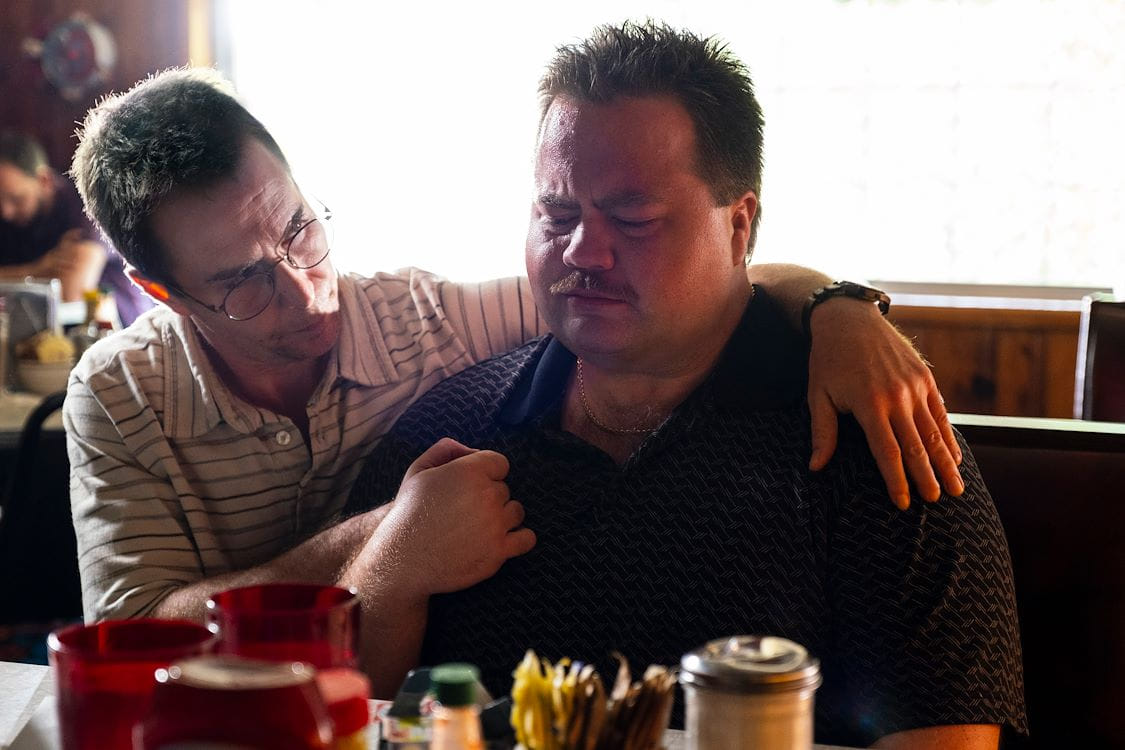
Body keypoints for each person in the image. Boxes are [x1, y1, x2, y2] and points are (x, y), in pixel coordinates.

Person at [65, 68, 960, 629]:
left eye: (301, 229)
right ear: (161, 292)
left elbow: (660, 290)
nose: (303, 290)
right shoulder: (122, 395)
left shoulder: (430, 321)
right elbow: (131, 634)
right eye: (242, 282)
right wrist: (388, 535)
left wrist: (837, 308)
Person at [344, 22, 1026, 748]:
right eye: (558, 213)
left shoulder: (874, 445)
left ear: (739, 226)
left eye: (633, 218)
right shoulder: (451, 431)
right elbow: (344, 713)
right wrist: (391, 572)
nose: (584, 251)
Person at [0, 130, 152, 325]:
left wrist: (13, 275)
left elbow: (70, 293)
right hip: (41, 330)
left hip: (119, 328)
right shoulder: (9, 217)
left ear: (44, 180)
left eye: (17, 199)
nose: (6, 212)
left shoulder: (86, 205)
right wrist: (39, 268)